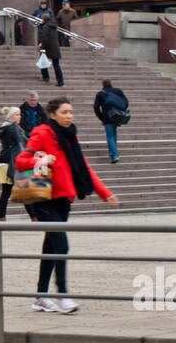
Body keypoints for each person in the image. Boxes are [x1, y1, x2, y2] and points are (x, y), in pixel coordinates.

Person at [15, 96, 119, 313]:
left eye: (71, 112)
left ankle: (40, 297)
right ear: (52, 114)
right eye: (64, 112)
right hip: (45, 199)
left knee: (51, 247)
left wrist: (105, 193)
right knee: (61, 245)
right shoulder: (42, 132)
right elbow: (21, 160)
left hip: (64, 199)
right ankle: (62, 295)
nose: (69, 116)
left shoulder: (71, 136)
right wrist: (40, 160)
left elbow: (85, 168)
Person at [0, 106, 27, 220]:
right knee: (23, 190)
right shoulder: (13, 128)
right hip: (13, 164)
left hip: (5, 163)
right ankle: (34, 217)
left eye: (20, 115)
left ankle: (2, 217)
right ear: (10, 117)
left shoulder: (5, 128)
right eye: (17, 115)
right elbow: (23, 142)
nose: (19, 117)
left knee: (6, 193)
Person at [93, 78, 129, 164]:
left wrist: (101, 117)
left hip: (106, 117)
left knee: (110, 136)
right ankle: (112, 152)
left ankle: (115, 155)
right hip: (117, 116)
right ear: (110, 83)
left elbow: (96, 108)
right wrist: (121, 110)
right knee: (114, 134)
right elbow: (126, 102)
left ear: (103, 85)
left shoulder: (100, 94)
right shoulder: (118, 91)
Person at [38, 18, 64, 87]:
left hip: (48, 48)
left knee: (43, 60)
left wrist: (42, 47)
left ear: (44, 19)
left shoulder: (45, 27)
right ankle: (60, 81)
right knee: (56, 65)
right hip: (55, 48)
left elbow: (45, 38)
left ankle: (46, 77)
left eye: (42, 19)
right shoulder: (53, 26)